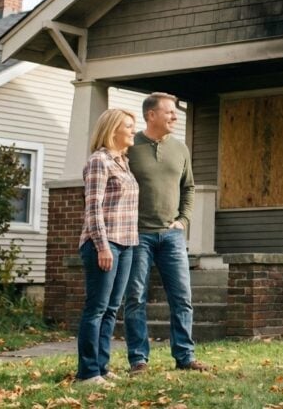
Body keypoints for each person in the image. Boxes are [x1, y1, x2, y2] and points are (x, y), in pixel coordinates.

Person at [124, 92, 209, 373]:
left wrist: (183, 219)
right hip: (138, 235)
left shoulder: (180, 149)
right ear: (151, 115)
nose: (175, 116)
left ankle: (185, 357)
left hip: (171, 235)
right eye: (169, 112)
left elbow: (189, 187)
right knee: (135, 297)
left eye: (175, 112)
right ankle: (138, 359)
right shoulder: (129, 146)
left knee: (182, 297)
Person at [76, 109, 139, 386]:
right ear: (113, 130)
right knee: (97, 308)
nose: (133, 131)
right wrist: (102, 247)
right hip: (105, 243)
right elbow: (93, 209)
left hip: (126, 243)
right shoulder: (99, 161)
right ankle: (87, 373)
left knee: (113, 308)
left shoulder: (123, 162)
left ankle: (101, 366)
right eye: (128, 126)